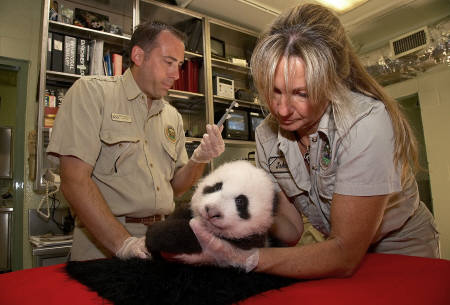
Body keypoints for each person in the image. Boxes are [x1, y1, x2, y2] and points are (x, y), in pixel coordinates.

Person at [175, 4, 440, 278]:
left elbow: (345, 255)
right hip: (333, 250)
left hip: (399, 245)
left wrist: (241, 258)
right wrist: (245, 205)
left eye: (301, 93)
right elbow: (292, 230)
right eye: (274, 91)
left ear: (332, 82)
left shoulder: (365, 124)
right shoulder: (268, 134)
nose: (282, 109)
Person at [47, 21, 224, 261]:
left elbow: (175, 187)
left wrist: (200, 159)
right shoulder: (92, 93)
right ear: (139, 56)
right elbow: (74, 181)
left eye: (179, 65)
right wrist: (124, 244)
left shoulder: (172, 116)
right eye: (169, 62)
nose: (176, 74)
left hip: (160, 240)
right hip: (103, 247)